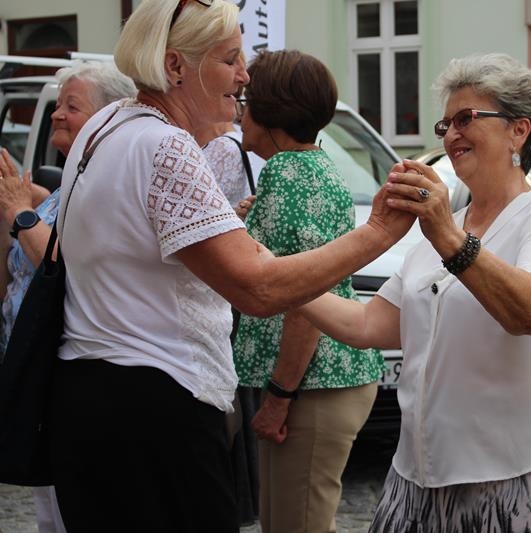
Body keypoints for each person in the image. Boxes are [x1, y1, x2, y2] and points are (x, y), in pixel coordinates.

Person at [47, 1, 413, 532]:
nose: (244, 77)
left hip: (91, 392)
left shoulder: (105, 124)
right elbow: (257, 289)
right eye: (230, 59)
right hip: (156, 407)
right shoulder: (164, 145)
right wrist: (378, 232)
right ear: (175, 66)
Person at [300, 53, 531, 532]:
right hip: (417, 470)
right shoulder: (443, 225)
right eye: (445, 124)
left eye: (466, 118)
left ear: (519, 130)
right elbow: (369, 323)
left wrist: (449, 238)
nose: (451, 135)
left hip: (513, 472)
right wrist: (278, 282)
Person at [230, 49, 385, 533]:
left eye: (246, 102)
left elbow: (303, 299)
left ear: (270, 112)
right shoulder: (308, 167)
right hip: (317, 381)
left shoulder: (288, 175)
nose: (239, 114)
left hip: (312, 385)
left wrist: (279, 396)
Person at [0, 60, 137, 533]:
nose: (57, 114)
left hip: (70, 370)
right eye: (58, 104)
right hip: (40, 369)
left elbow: (63, 265)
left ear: (106, 116)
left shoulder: (103, 182)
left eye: (71, 106)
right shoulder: (71, 181)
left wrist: (19, 213)